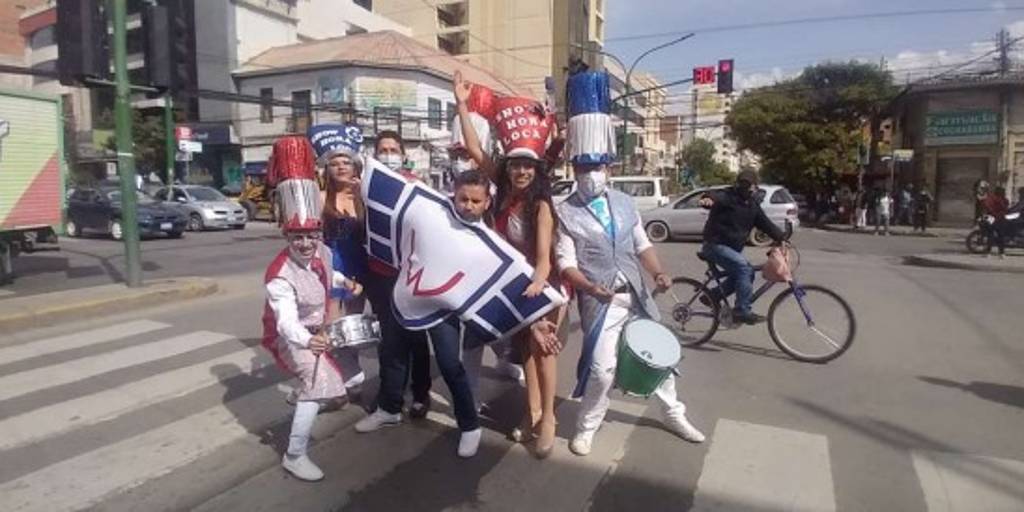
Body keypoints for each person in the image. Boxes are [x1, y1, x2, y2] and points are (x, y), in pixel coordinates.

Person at [557, 70, 704, 457]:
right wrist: (588, 287)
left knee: (660, 360)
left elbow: (642, 244)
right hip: (600, 303)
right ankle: (587, 426)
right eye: (584, 168)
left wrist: (658, 272)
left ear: (609, 167)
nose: (591, 175)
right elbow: (565, 263)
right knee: (602, 370)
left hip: (636, 295)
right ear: (574, 170)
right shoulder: (565, 212)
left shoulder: (624, 204)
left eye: (597, 167)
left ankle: (674, 414)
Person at [455, 71, 565, 458]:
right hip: (516, 285)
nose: (521, 172)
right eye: (515, 165)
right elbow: (474, 148)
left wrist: (535, 289)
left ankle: (548, 419)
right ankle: (531, 414)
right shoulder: (501, 193)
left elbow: (544, 262)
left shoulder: (542, 205)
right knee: (525, 353)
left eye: (528, 167)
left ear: (537, 171)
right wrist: (462, 104)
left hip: (544, 287)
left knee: (543, 350)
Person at [260, 136, 363, 482]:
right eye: (298, 238)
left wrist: (346, 282)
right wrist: (308, 341)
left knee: (345, 380)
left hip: (319, 330)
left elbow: (327, 271)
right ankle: (294, 454)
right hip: (293, 337)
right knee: (317, 385)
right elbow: (286, 322)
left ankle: (304, 389)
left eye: (311, 236)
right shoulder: (279, 276)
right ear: (287, 238)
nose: (306, 244)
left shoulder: (322, 251)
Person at [356, 131, 433, 432]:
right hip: (380, 275)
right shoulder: (366, 188)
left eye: (393, 149)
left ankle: (421, 394)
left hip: (410, 276)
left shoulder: (416, 187)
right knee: (388, 341)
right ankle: (390, 400)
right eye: (383, 150)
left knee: (416, 338)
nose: (388, 154)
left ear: (403, 154)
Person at [308, 124, 370, 394]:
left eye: (346, 162)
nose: (341, 167)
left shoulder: (364, 197)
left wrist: (363, 194)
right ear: (327, 169)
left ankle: (349, 375)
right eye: (334, 163)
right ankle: (332, 380)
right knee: (330, 326)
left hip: (359, 268)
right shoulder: (320, 197)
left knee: (352, 326)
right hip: (331, 268)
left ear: (356, 166)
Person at [698, 170, 788, 325]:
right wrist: (707, 199)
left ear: (755, 186)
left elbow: (765, 224)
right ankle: (741, 310)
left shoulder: (753, 205)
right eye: (743, 184)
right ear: (738, 184)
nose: (746, 188)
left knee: (748, 272)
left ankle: (713, 296)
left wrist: (782, 238)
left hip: (731, 250)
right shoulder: (729, 196)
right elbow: (714, 196)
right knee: (744, 269)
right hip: (715, 245)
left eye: (749, 185)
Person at [981, 186, 1010, 258]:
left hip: (991, 218)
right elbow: (1006, 209)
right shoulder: (1004, 200)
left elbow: (986, 205)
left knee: (990, 235)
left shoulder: (991, 198)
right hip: (1001, 219)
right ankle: (1002, 253)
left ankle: (988, 253)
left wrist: (992, 213)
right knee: (1001, 236)